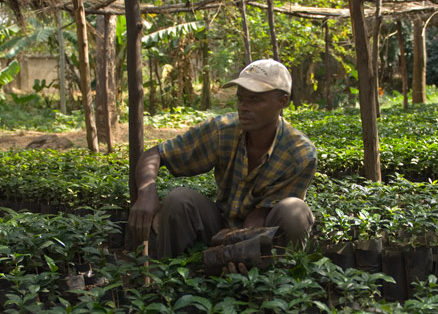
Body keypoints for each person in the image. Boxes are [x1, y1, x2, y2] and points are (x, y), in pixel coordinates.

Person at [127, 58, 317, 259]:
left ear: (282, 101)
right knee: (179, 200)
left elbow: (261, 214)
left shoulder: (300, 154)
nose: (243, 107)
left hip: (265, 234)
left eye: (255, 100)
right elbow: (155, 154)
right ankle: (173, 279)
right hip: (218, 225)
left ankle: (280, 283)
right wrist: (147, 191)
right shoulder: (223, 130)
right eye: (241, 99)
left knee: (294, 212)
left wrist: (235, 245)